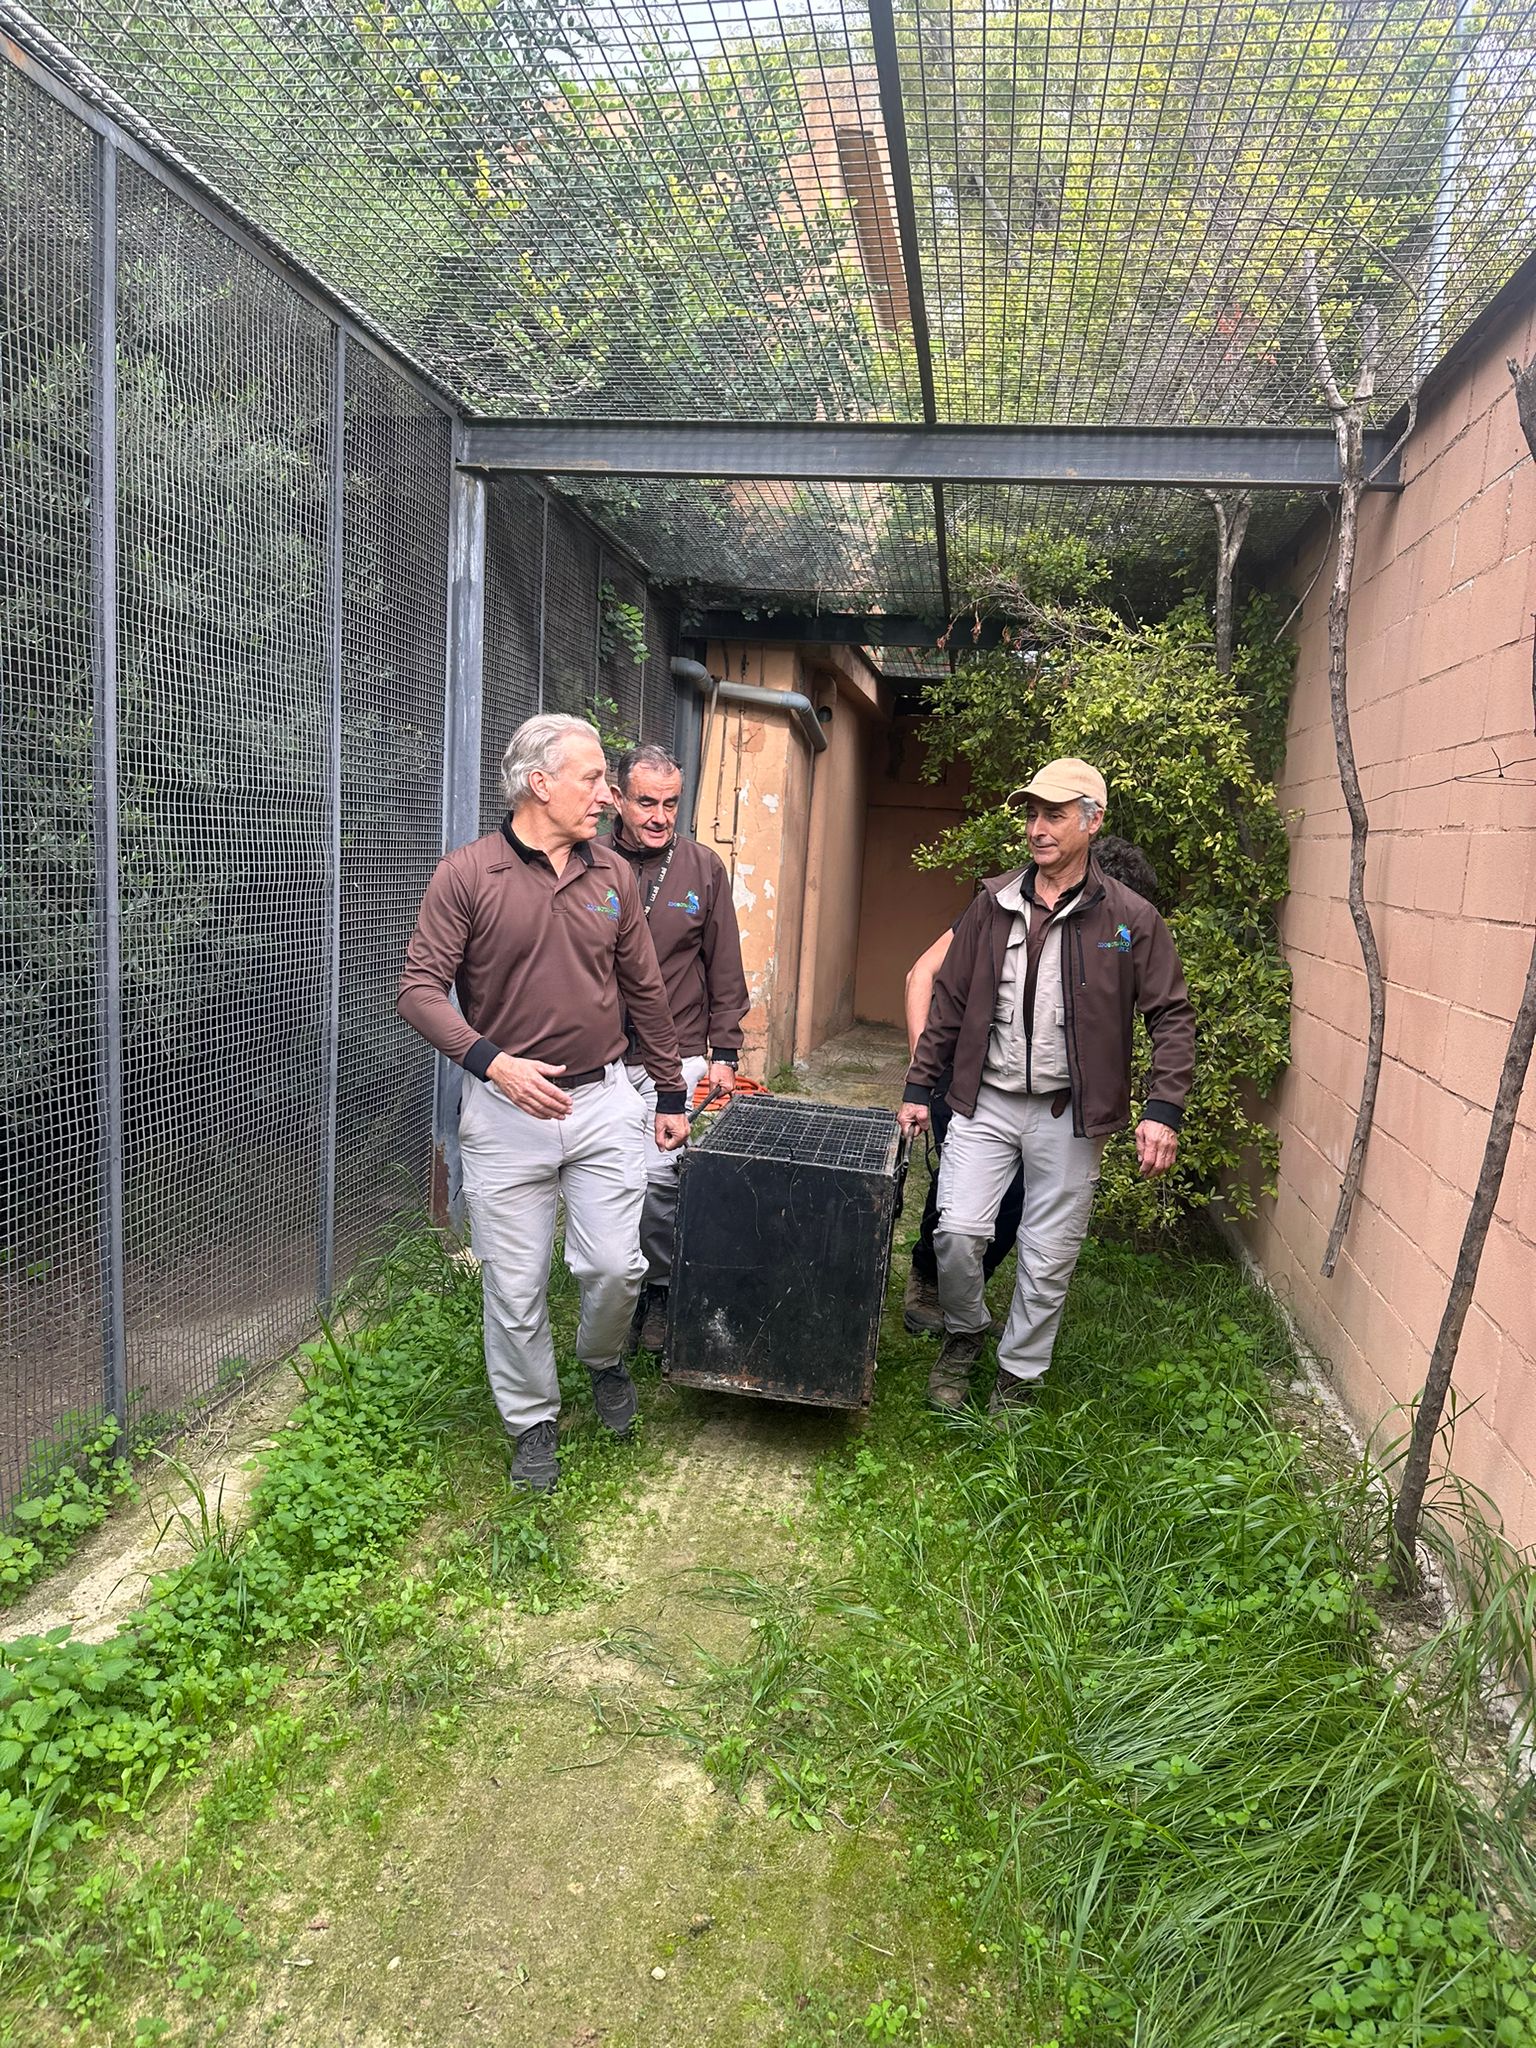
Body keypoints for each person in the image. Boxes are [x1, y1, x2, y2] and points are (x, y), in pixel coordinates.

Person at [398, 713, 689, 1494]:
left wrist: (668, 1089)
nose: (608, 795)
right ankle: (532, 1420)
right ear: (540, 783)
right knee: (515, 1287)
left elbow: (646, 992)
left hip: (602, 1101)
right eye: (593, 779)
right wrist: (492, 1065)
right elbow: (419, 992)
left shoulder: (613, 876)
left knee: (615, 1265)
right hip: (504, 1114)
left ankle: (601, 1357)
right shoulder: (467, 875)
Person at [896, 761, 1195, 1417]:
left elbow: (1170, 1014)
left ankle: (1017, 1379)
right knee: (957, 1234)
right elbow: (947, 1001)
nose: (1037, 828)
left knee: (1047, 1255)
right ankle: (966, 1332)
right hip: (985, 1101)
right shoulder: (992, 904)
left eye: (1053, 814)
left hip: (1069, 1115)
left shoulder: (1130, 920)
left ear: (1093, 820)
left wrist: (1162, 1109)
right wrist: (920, 1088)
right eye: (1031, 814)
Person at [900, 834, 1163, 1337]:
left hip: (1047, 1100)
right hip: (967, 1079)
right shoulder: (998, 909)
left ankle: (974, 1315)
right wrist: (923, 1070)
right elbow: (923, 974)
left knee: (1014, 1207)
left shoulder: (1121, 926)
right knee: (955, 1204)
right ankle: (930, 1281)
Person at [605, 742, 749, 1354]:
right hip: (604, 1054)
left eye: (670, 803)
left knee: (662, 1183)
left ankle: (660, 1291)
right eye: (646, 802)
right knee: (616, 1183)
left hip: (681, 1050)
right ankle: (617, 1293)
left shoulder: (701, 868)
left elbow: (724, 964)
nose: (660, 816)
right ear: (617, 798)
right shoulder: (587, 860)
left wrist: (726, 1052)